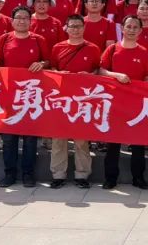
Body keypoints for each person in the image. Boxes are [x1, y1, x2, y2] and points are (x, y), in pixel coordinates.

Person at [0, 6, 49, 188]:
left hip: (31, 94)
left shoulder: (38, 39)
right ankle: (9, 173)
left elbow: (48, 61)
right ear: (12, 21)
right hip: (10, 94)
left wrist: (41, 63)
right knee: (9, 137)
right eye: (18, 18)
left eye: (25, 18)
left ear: (31, 21)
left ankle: (28, 174)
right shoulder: (5, 38)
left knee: (30, 138)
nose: (22, 21)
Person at [96, 16, 148, 189]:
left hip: (136, 103)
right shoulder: (112, 49)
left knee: (138, 142)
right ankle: (110, 178)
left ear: (140, 31)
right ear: (122, 28)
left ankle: (138, 178)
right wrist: (117, 76)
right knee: (113, 142)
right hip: (115, 102)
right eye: (129, 26)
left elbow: (147, 76)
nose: (132, 30)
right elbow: (101, 71)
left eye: (135, 27)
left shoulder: (143, 51)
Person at [48, 15, 99, 189]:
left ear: (84, 28)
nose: (75, 29)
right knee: (58, 138)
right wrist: (58, 73)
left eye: (78, 26)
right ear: (66, 28)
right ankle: (58, 175)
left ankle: (82, 175)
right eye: (72, 26)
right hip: (62, 99)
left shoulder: (92, 48)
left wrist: (89, 76)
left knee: (81, 139)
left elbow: (97, 71)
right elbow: (52, 68)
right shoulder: (57, 47)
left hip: (83, 100)